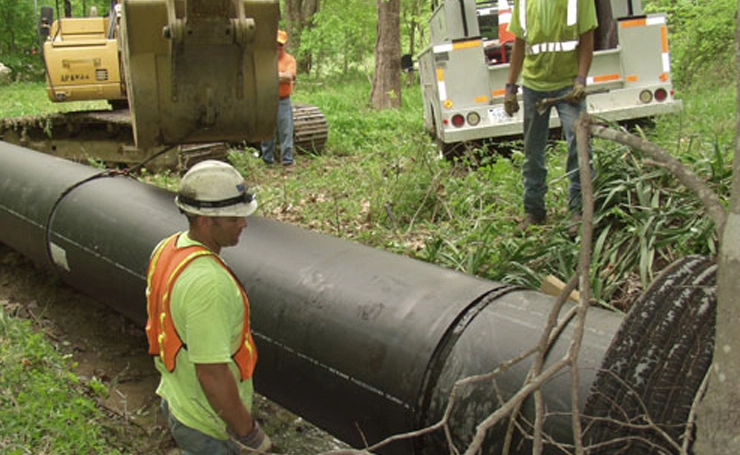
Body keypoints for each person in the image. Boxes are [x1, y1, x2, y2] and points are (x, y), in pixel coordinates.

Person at [146, 160, 272, 454]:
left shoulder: (169, 248)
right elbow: (212, 374)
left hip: (178, 398)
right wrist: (248, 432)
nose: (244, 223)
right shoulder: (209, 285)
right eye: (233, 218)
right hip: (205, 424)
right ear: (205, 220)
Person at [504, 0, 598, 234]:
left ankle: (579, 211)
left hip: (568, 87)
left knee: (579, 145)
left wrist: (581, 79)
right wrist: (510, 87)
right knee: (532, 152)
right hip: (534, 86)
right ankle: (533, 212)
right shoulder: (525, 3)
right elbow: (519, 43)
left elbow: (587, 39)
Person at [261, 30, 297, 167]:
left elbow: (289, 77)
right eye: (275, 44)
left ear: (284, 45)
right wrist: (280, 76)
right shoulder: (265, 59)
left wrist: (271, 76)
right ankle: (267, 159)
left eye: (280, 45)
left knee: (286, 131)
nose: (277, 47)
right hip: (267, 100)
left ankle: (287, 161)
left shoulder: (289, 60)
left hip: (283, 100)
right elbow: (261, 77)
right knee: (267, 131)